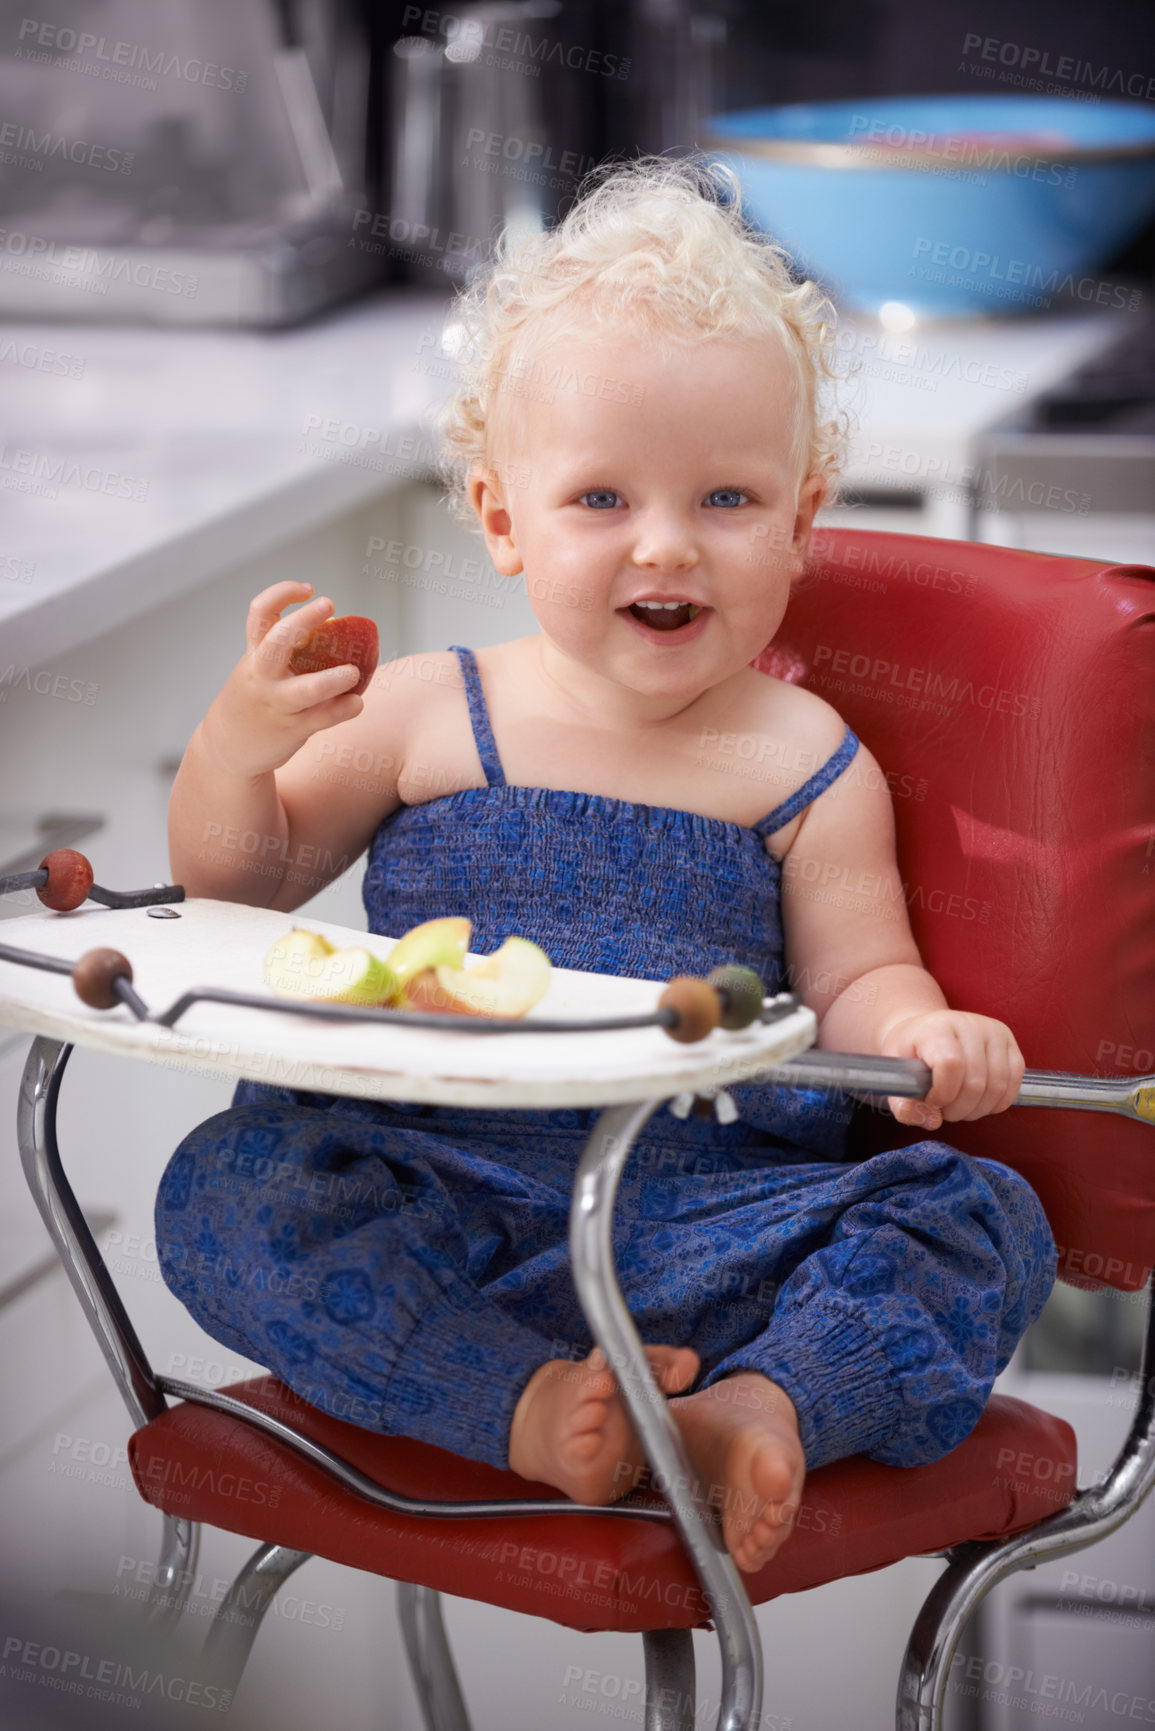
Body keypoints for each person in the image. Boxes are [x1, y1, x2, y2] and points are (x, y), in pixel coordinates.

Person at [157, 154, 1055, 1577]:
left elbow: (861, 974)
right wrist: (234, 746)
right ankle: (513, 1405)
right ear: (503, 518)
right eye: (598, 501)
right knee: (228, 1189)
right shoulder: (424, 713)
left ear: (804, 515)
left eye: (726, 498)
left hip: (709, 1224)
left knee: (982, 1219)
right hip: (432, 1190)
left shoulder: (806, 759)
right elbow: (234, 882)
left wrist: (923, 1034)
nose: (665, 544)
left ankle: (764, 1406)